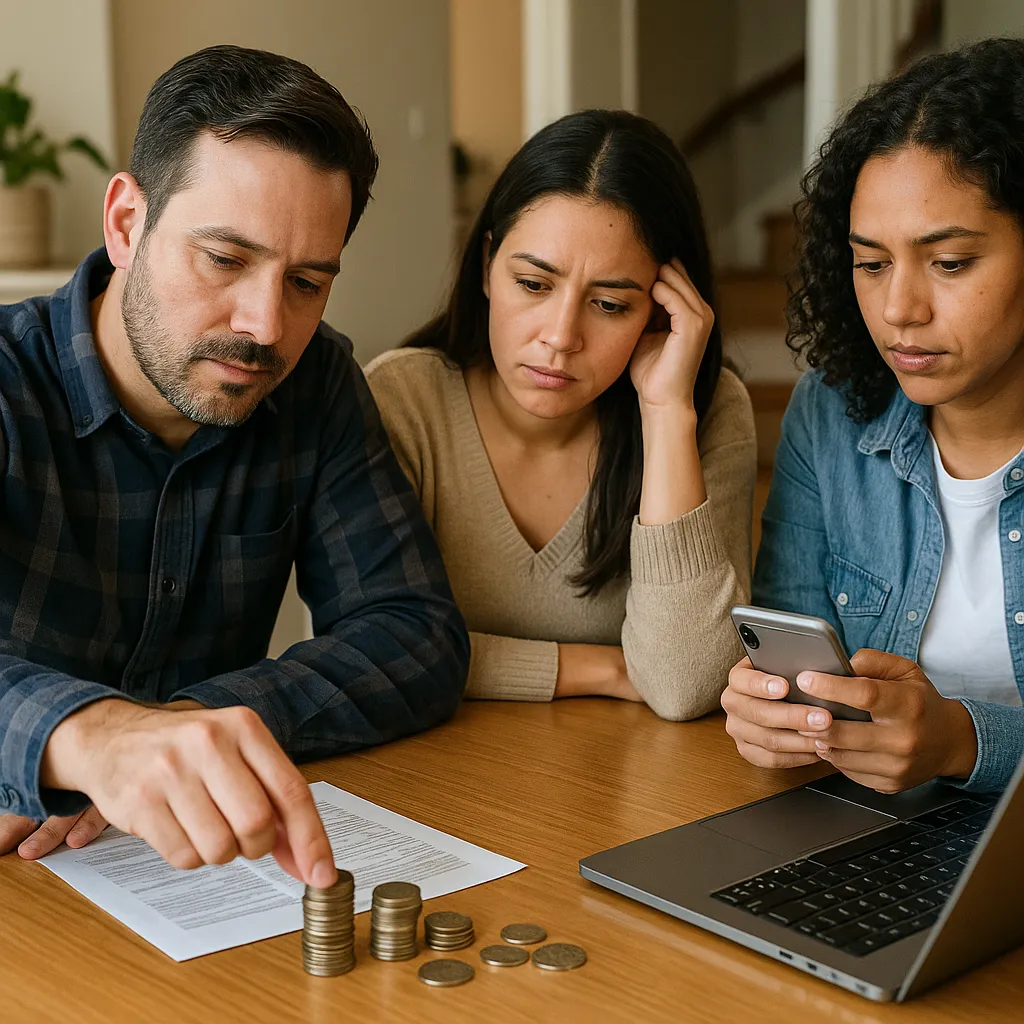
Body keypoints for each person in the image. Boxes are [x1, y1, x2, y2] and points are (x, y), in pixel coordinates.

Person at [0, 45, 469, 882]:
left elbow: (414, 633)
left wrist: (190, 725)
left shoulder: (315, 379)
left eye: (307, 282)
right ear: (124, 224)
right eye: (225, 259)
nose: (264, 325)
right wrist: (87, 735)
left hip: (194, 881)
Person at [366, 110, 756, 720]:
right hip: (426, 779)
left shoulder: (705, 412)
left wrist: (665, 414)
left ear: (660, 310)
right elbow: (365, 650)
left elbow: (687, 685)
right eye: (533, 283)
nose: (561, 336)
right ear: (488, 266)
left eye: (608, 303)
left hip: (626, 790)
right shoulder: (401, 402)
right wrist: (600, 667)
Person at [723, 37, 1024, 794]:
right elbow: (797, 653)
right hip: (874, 833)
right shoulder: (831, 413)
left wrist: (963, 741)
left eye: (950, 263)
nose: (898, 310)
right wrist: (775, 714)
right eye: (871, 262)